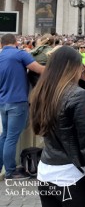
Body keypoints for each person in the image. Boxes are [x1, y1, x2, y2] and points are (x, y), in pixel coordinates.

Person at [29, 46, 85, 205]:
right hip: (71, 174)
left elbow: (62, 114)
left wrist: (84, 83)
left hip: (46, 170)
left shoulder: (42, 90)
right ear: (74, 67)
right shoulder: (77, 95)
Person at [0, 33, 44, 180]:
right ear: (15, 42)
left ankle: (2, 166)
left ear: (1, 44)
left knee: (5, 136)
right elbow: (39, 69)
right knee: (11, 138)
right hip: (17, 101)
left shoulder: (1, 56)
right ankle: (11, 171)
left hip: (3, 101)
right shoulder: (19, 54)